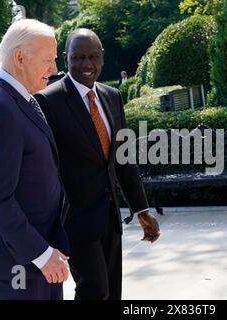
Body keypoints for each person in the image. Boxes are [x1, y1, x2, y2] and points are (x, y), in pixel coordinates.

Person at [35, 28, 160, 300]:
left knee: (113, 290)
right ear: (66, 58)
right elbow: (44, 168)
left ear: (102, 57)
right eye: (78, 57)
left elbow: (123, 159)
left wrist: (141, 208)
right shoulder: (48, 100)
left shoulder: (112, 96)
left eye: (92, 57)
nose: (86, 65)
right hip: (74, 220)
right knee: (94, 290)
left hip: (110, 217)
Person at [0, 19, 70, 300]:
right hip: (18, 258)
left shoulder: (19, 98)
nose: (54, 69)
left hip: (34, 251)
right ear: (20, 57)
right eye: (48, 60)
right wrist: (42, 254)